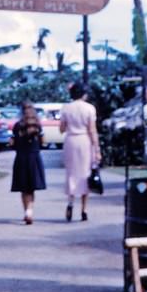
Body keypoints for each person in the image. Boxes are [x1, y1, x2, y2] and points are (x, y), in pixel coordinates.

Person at [59, 82, 100, 222]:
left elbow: (62, 129)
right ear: (84, 94)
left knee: (71, 174)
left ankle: (70, 203)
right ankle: (84, 209)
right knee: (85, 174)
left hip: (71, 141)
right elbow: (92, 130)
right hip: (84, 141)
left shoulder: (66, 108)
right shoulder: (90, 108)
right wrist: (97, 149)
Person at [10, 102, 46, 225]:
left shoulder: (17, 126)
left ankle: (26, 211)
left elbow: (12, 142)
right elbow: (43, 142)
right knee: (31, 188)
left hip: (21, 157)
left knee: (24, 188)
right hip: (34, 156)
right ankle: (30, 210)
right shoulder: (38, 126)